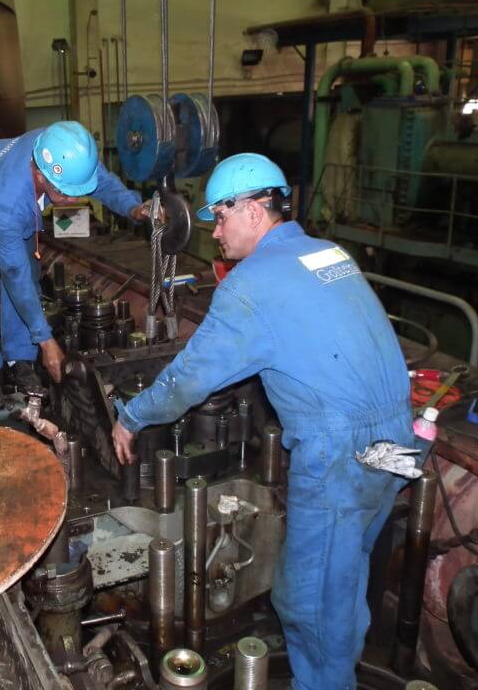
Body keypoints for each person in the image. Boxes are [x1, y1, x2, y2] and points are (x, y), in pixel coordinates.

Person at [109, 153, 413, 689]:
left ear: (252, 209)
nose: (215, 232)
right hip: (397, 443)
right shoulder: (328, 252)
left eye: (219, 217)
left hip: (340, 456)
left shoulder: (252, 284)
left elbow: (189, 380)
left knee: (307, 602)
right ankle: (340, 665)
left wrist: (131, 416)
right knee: (345, 578)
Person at [0, 121, 150, 410]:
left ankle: (19, 358)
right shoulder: (9, 201)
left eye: (77, 191)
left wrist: (132, 207)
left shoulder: (66, 153)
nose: (73, 199)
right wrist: (47, 342)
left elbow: (105, 183)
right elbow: (14, 275)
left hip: (8, 200)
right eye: (65, 192)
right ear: (39, 173)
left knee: (29, 280)